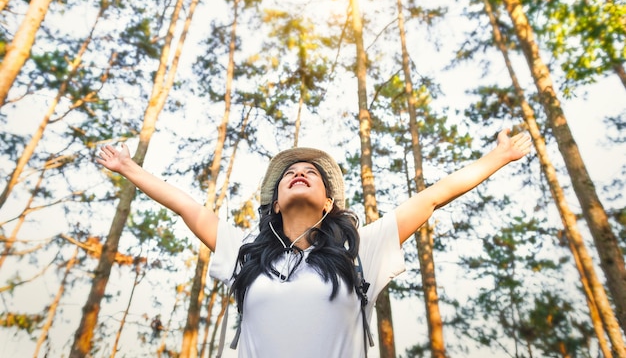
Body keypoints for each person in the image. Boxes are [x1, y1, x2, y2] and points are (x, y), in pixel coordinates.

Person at [96, 128, 531, 358]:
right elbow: (187, 207)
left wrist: (499, 156)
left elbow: (434, 196)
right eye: (289, 173)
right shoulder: (244, 249)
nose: (299, 172)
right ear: (276, 202)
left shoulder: (361, 249)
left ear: (328, 201)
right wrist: (130, 168)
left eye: (312, 172)